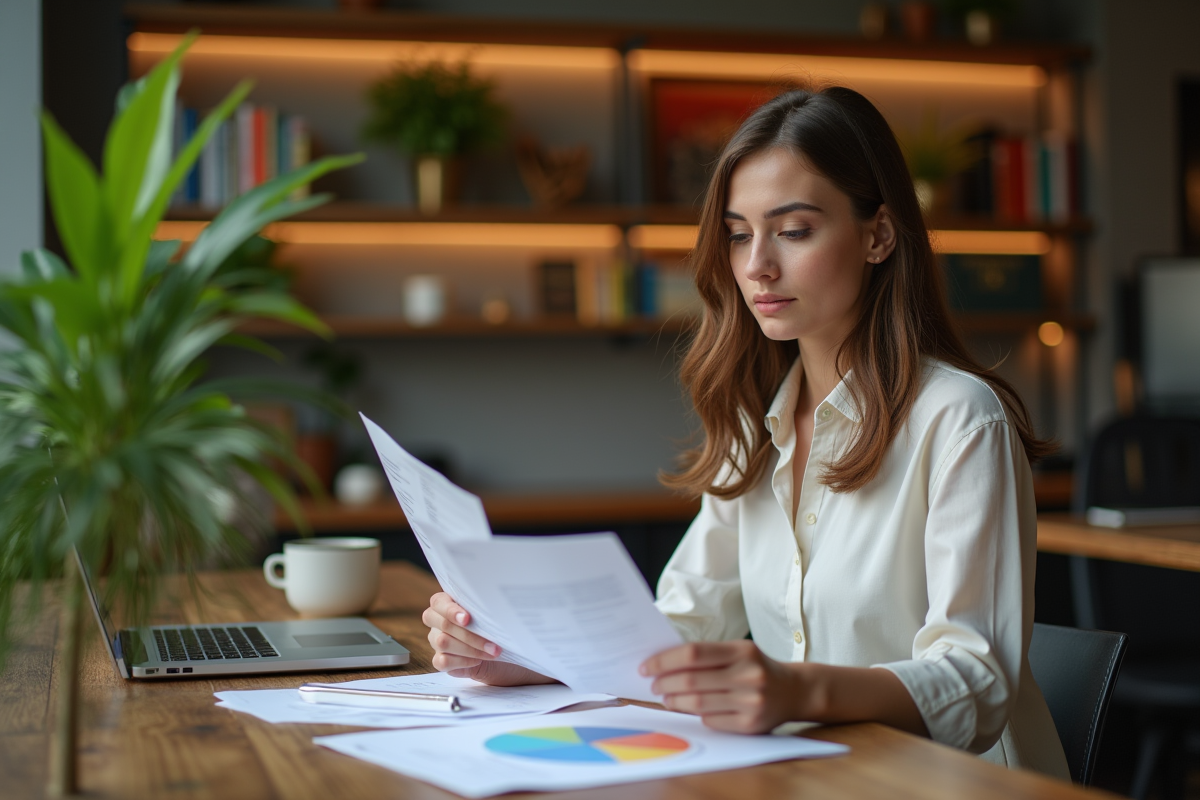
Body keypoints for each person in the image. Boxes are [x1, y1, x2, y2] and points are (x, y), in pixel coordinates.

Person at [422, 86, 1069, 778]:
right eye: (738, 233)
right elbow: (684, 623)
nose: (757, 264)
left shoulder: (960, 419)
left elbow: (976, 680)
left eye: (793, 231)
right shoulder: (751, 425)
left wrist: (798, 688)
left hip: (958, 784)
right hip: (812, 774)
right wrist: (522, 657)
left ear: (879, 235)